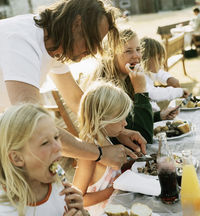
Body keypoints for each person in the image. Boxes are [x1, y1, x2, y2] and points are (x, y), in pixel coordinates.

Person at [0, 0, 146, 170]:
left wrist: (117, 131)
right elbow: (33, 123)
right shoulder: (23, 40)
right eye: (93, 41)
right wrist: (99, 153)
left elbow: (77, 101)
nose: (94, 51)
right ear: (77, 24)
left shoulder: (53, 44)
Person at [0, 103, 91, 216]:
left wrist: (81, 214)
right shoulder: (5, 214)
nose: (58, 148)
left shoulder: (56, 182)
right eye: (44, 143)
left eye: (56, 137)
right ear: (17, 158)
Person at [80, 28, 180, 143]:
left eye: (138, 49)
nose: (136, 56)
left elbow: (131, 124)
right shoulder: (108, 89)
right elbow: (144, 137)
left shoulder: (127, 78)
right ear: (112, 55)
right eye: (128, 51)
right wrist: (140, 90)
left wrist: (159, 116)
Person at [73, 81, 132, 216]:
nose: (125, 123)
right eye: (120, 118)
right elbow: (79, 199)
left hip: (119, 208)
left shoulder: (106, 138)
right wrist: (115, 187)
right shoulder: (90, 152)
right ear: (102, 119)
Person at [140, 36, 189, 111]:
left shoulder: (146, 71)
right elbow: (153, 94)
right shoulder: (139, 76)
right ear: (148, 58)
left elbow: (158, 73)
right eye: (159, 59)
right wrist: (179, 92)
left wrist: (168, 78)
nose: (161, 63)